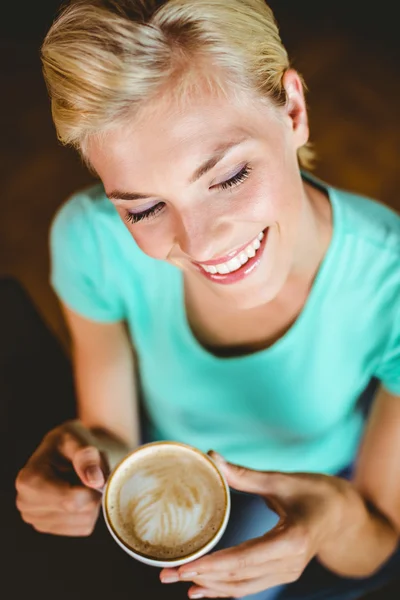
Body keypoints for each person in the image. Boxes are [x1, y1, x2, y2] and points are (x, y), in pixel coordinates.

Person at [15, 1, 400, 599]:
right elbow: (112, 437)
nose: (198, 243)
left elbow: (373, 544)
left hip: (329, 481)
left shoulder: (392, 284)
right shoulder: (90, 240)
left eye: (227, 177)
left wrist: (333, 514)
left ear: (293, 111)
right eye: (142, 207)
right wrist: (84, 468)